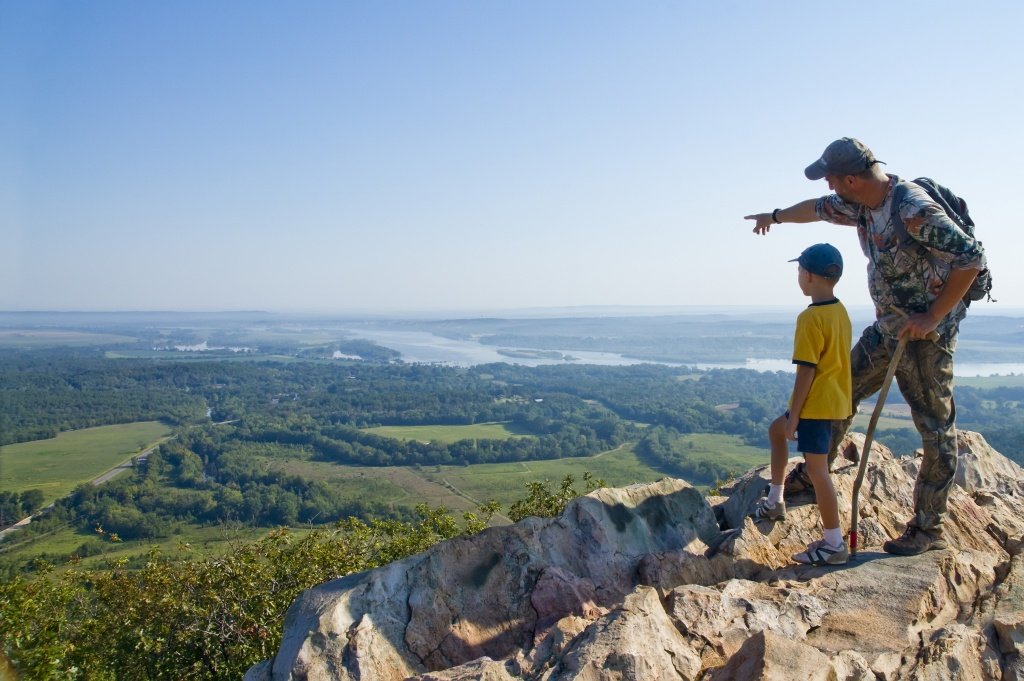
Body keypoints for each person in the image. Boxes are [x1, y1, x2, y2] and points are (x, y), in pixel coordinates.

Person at [746, 137, 986, 555]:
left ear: (852, 179)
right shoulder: (860, 203)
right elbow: (816, 210)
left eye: (833, 180)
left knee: (934, 426)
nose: (829, 189)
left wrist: (931, 317)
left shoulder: (911, 208)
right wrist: (775, 216)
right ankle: (815, 470)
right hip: (889, 327)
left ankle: (929, 528)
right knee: (843, 389)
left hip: (928, 338)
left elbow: (971, 258)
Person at [750, 243, 852, 566]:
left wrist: (795, 415)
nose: (798, 276)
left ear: (808, 275)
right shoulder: (840, 312)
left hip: (814, 406)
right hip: (832, 401)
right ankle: (776, 500)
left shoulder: (810, 319)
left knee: (818, 471)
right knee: (775, 432)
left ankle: (834, 543)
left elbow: (806, 370)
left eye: (799, 270)